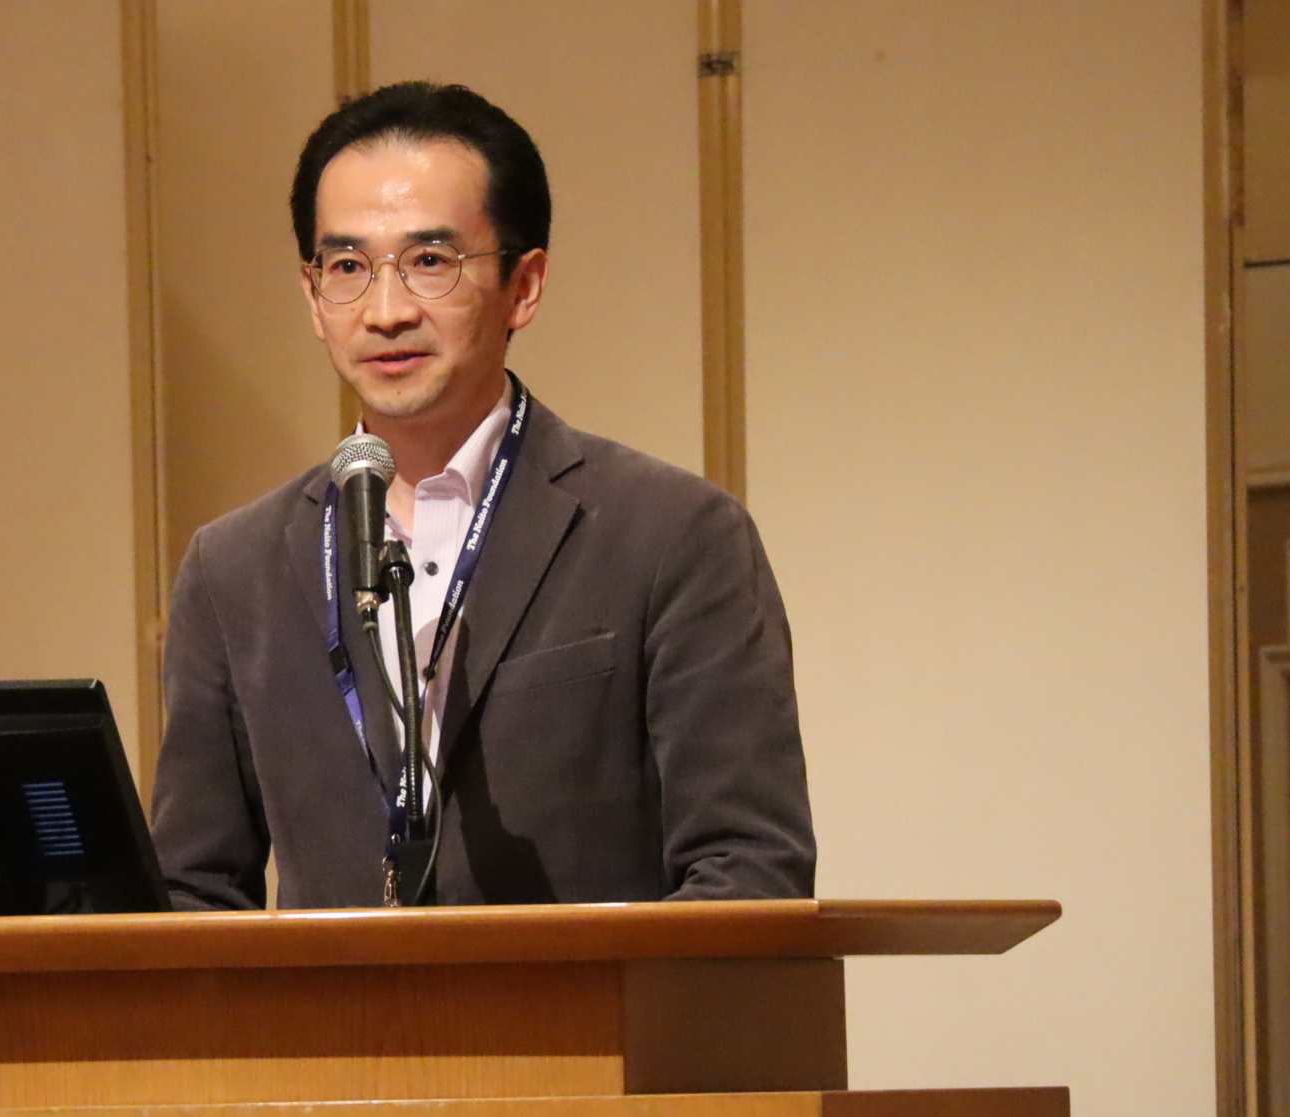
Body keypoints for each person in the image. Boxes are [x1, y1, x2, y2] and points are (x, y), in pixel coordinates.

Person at [150, 81, 813, 909]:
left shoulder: (672, 535)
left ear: (523, 285)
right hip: (333, 1002)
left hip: (590, 999)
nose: (386, 311)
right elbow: (192, 890)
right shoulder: (232, 569)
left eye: (430, 262)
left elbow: (749, 869)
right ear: (313, 298)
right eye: (348, 267)